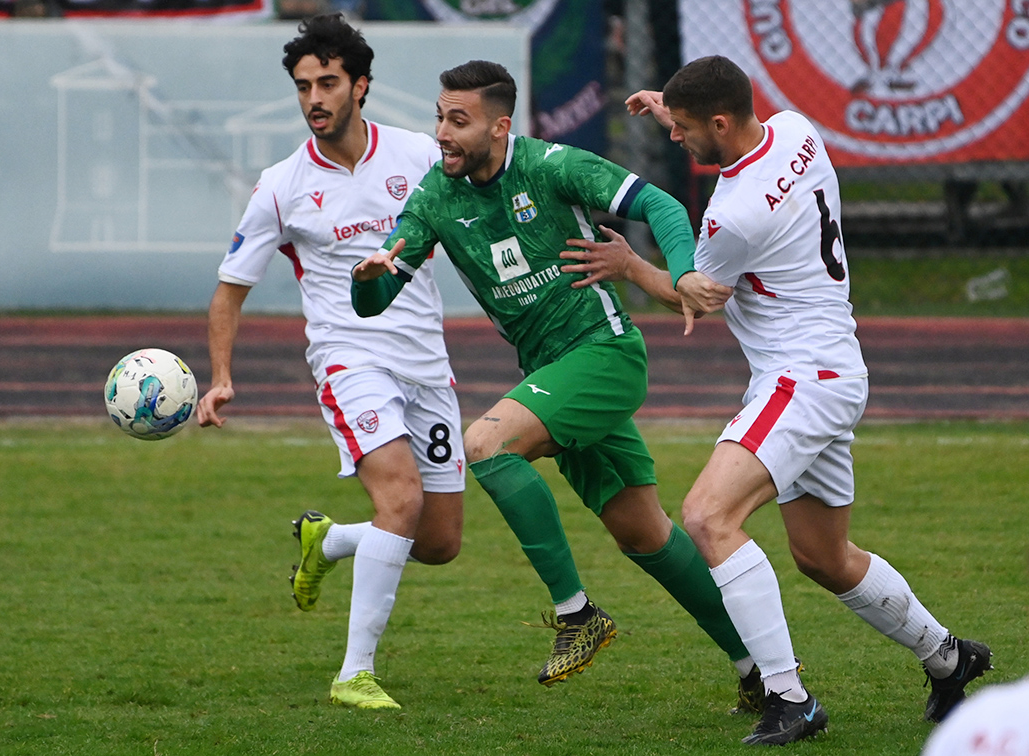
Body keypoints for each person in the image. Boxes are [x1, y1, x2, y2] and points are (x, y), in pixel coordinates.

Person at [559, 55, 991, 744]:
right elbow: (721, 123)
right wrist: (673, 105)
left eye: (686, 129)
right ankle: (948, 657)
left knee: (706, 516)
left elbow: (695, 297)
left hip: (802, 377)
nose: (677, 138)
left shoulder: (732, 216)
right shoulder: (796, 129)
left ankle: (791, 699)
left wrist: (630, 265)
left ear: (721, 122)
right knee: (824, 556)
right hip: (831, 366)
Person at [351, 59, 761, 704]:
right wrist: (368, 274)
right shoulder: (434, 197)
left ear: (500, 126)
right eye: (439, 117)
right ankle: (759, 670)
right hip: (553, 376)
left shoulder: (549, 166)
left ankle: (577, 615)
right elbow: (375, 300)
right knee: (644, 533)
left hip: (603, 353)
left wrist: (680, 272)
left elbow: (658, 202)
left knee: (485, 444)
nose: (443, 133)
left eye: (459, 120)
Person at [195, 14, 466, 711]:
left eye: (327, 82)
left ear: (360, 85)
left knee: (438, 542)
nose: (313, 97)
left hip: (426, 365)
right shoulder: (282, 186)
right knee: (400, 500)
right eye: (302, 86)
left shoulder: (417, 154)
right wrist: (221, 377)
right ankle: (354, 674)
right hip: (349, 360)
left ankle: (330, 540)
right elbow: (229, 292)